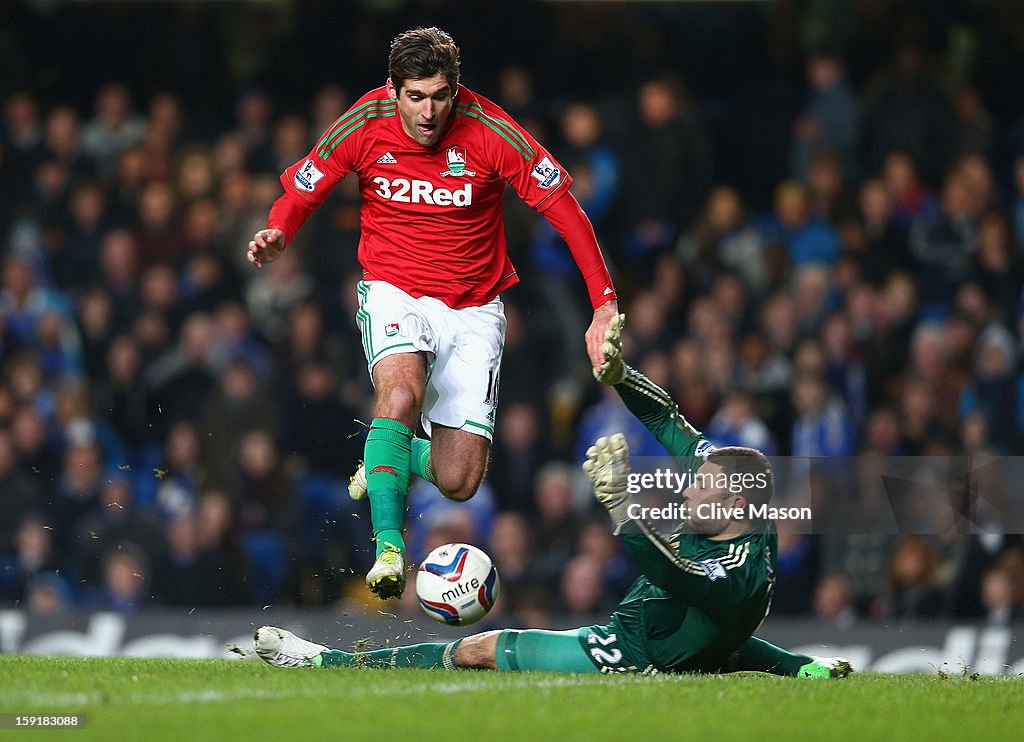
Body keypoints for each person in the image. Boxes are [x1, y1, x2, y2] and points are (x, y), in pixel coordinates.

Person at [253, 316, 851, 678]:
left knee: (477, 650)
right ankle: (400, 460)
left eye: (704, 488)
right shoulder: (739, 495)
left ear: (733, 509)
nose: (692, 485)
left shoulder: (737, 572)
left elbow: (681, 580)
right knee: (723, 644)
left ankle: (320, 663)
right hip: (671, 637)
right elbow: (671, 422)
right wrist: (620, 376)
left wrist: (622, 510)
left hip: (633, 653)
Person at [246, 27, 619, 599]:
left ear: (456, 90)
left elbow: (566, 212)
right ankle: (390, 547)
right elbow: (302, 190)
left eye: (439, 96)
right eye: (415, 97)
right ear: (393, 90)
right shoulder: (363, 123)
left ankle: (385, 455)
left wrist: (603, 306)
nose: (428, 111)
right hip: (393, 289)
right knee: (399, 395)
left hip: (473, 307)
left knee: (460, 480)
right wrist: (279, 231)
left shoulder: (493, 132)